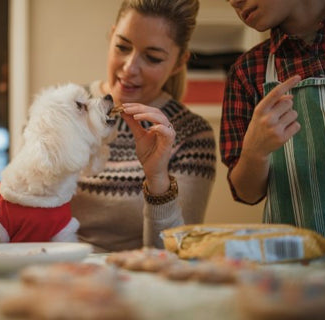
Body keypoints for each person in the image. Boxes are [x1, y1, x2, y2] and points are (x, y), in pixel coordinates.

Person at [71, 0, 216, 252]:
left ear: (180, 62)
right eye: (122, 47)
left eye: (152, 57)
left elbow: (176, 251)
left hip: (137, 281)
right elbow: (16, 198)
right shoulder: (67, 107)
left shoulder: (191, 134)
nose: (129, 68)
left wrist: (157, 178)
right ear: (112, 34)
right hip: (53, 273)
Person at [220, 0, 325, 237]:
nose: (233, 2)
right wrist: (254, 153)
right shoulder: (247, 72)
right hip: (295, 263)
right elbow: (247, 192)